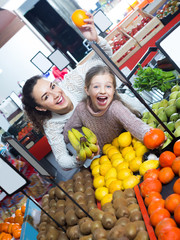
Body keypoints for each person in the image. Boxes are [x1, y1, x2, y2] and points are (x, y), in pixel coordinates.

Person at [21, 12, 113, 171]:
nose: (56, 94)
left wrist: (95, 39)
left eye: (52, 87)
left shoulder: (72, 82)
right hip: (106, 155)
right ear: (41, 108)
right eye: (46, 97)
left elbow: (104, 60)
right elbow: (62, 161)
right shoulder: (52, 124)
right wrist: (79, 159)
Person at [63, 65, 152, 152]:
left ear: (113, 90)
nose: (102, 91)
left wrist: (150, 134)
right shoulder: (81, 109)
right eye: (96, 86)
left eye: (108, 86)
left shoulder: (115, 107)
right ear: (87, 90)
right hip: (105, 157)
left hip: (127, 150)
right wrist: (85, 140)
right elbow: (68, 133)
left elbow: (134, 124)